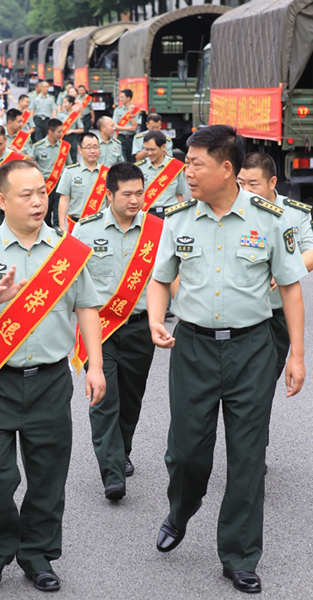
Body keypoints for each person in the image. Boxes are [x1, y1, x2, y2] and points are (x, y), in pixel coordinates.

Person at [147, 125, 306, 594]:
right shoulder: (176, 219)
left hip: (253, 349)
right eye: (187, 162)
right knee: (188, 453)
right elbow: (160, 279)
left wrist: (297, 353)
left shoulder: (270, 219)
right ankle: (181, 509)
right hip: (192, 348)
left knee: (247, 456)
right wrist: (158, 319)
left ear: (227, 169)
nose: (187, 172)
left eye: (196, 164)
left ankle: (238, 555)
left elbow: (292, 288)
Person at [0, 159, 105, 595]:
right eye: (26, 195)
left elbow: (87, 307)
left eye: (42, 192)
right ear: (1, 201)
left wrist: (94, 364)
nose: (38, 202)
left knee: (48, 473)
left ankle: (37, 554)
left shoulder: (66, 249)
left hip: (50, 380)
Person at [72, 162, 160, 499]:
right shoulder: (85, 231)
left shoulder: (156, 231)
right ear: (109, 195)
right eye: (127, 194)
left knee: (131, 398)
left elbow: (167, 280)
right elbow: (70, 282)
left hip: (139, 327)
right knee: (104, 398)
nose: (135, 200)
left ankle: (121, 450)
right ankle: (112, 473)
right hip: (100, 328)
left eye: (140, 192)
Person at [238, 152, 313, 379]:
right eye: (241, 184)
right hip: (239, 313)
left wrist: (285, 270)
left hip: (275, 314)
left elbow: (310, 251)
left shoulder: (295, 211)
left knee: (265, 381)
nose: (246, 191)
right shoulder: (231, 208)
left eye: (253, 184)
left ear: (272, 182)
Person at [57, 132, 106, 231]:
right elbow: (64, 200)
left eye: (96, 147)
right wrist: (62, 226)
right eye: (88, 148)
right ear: (80, 150)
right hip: (76, 225)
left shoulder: (107, 173)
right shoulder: (70, 172)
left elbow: (110, 202)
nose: (92, 151)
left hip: (100, 225)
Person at [136, 130, 187, 218]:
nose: (149, 153)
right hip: (148, 214)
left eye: (153, 149)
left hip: (170, 214)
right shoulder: (139, 168)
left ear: (163, 147)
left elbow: (179, 195)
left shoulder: (175, 166)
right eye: (147, 150)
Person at [33, 118, 72, 227]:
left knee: (58, 213)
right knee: (44, 211)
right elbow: (32, 164)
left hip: (61, 183)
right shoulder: (38, 147)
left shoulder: (64, 146)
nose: (62, 134)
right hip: (44, 184)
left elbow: (70, 165)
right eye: (59, 131)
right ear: (50, 132)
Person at [112, 89, 142, 162]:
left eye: (122, 97)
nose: (120, 99)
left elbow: (134, 127)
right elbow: (114, 126)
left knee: (132, 159)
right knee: (121, 159)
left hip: (131, 139)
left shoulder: (136, 110)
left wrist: (131, 116)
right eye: (120, 97)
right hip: (120, 137)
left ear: (128, 98)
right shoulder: (118, 110)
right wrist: (128, 128)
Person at [59, 95, 84, 161]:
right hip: (62, 138)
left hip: (72, 138)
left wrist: (72, 131)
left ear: (71, 104)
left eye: (65, 103)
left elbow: (81, 129)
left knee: (73, 157)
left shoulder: (76, 115)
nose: (63, 105)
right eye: (63, 103)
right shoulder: (60, 114)